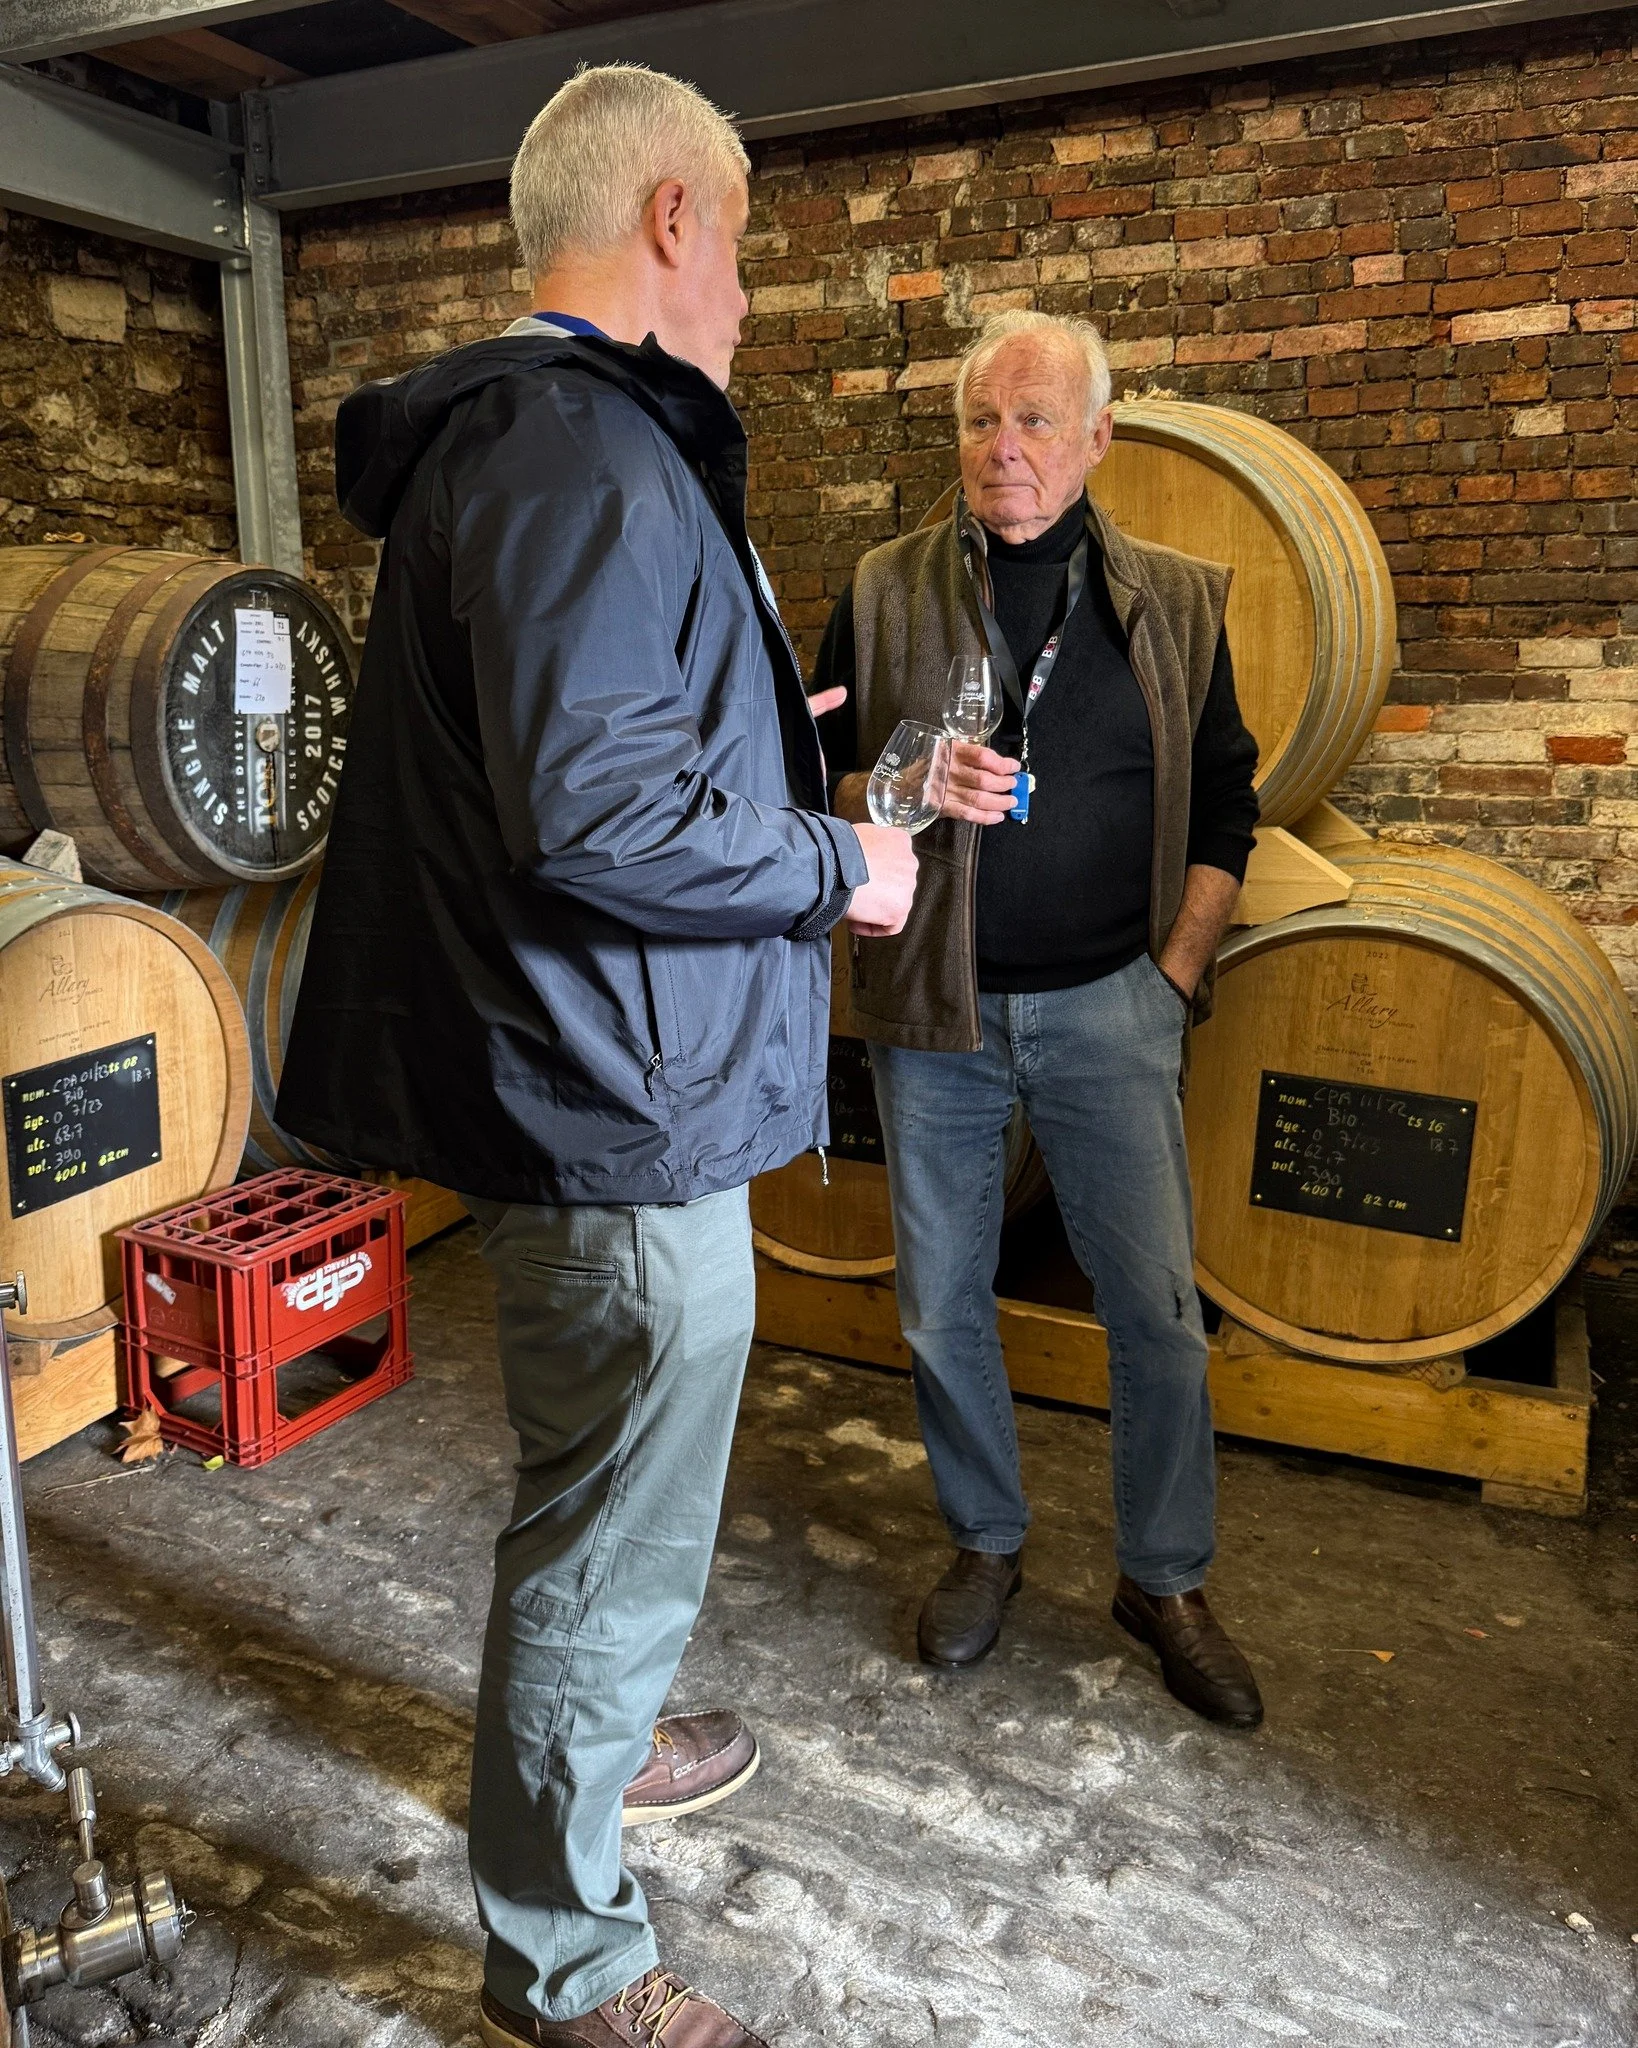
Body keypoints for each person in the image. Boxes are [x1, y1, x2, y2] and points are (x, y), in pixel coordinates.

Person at [275, 64, 917, 2048]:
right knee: (604, 1529)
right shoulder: (581, 451)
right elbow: (601, 827)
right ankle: (567, 1960)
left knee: (594, 1499)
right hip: (615, 1100)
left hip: (593, 1071)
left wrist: (761, 729)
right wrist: (846, 860)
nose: (743, 287)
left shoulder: (554, 443)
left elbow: (581, 758)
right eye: (737, 238)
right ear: (668, 220)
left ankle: (588, 1735)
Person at [813, 308, 1264, 1729]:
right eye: (978, 422)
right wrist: (897, 784)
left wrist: (1173, 973)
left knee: (1155, 1315)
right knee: (943, 1305)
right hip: (933, 1012)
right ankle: (985, 1540)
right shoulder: (884, 589)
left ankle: (1163, 1576)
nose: (1002, 449)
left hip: (1109, 1005)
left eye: (1033, 421)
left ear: (1094, 438)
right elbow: (813, 791)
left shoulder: (1179, 600)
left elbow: (1226, 801)